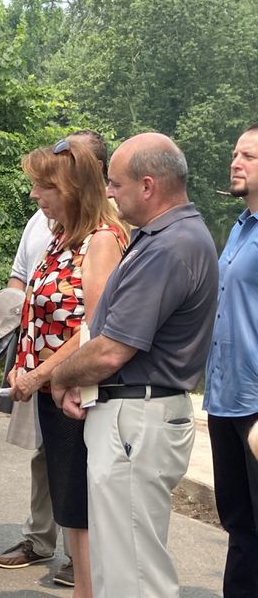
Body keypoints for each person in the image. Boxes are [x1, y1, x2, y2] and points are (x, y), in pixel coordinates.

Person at [50, 133, 218, 598]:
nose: (108, 192)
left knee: (133, 577)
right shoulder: (166, 238)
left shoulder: (169, 245)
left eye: (116, 183)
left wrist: (60, 376)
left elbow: (112, 349)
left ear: (148, 186)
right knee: (119, 568)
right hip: (135, 413)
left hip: (137, 415)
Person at [6, 138, 127, 598]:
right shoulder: (64, 236)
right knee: (72, 509)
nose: (34, 194)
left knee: (82, 509)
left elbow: (94, 327)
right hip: (55, 393)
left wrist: (41, 374)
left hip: (78, 394)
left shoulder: (102, 239)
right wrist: (24, 366)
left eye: (44, 186)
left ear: (73, 189)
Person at [203, 123, 258, 597]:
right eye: (236, 153)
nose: (235, 162)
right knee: (239, 522)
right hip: (225, 399)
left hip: (256, 404)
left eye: (249, 157)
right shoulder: (241, 226)